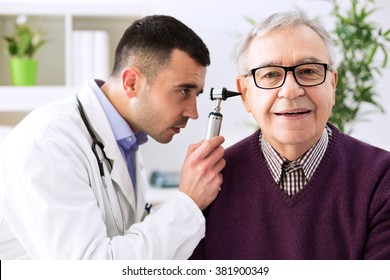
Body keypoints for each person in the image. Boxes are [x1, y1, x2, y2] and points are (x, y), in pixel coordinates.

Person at [0, 15, 226, 259]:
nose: (193, 113)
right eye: (183, 91)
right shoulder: (48, 144)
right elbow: (88, 269)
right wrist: (187, 202)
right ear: (131, 83)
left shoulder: (126, 143)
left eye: (197, 95)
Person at [190, 9, 390, 260]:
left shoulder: (382, 179)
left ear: (332, 84)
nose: (291, 91)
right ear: (245, 94)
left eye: (308, 71)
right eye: (271, 74)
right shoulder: (209, 183)